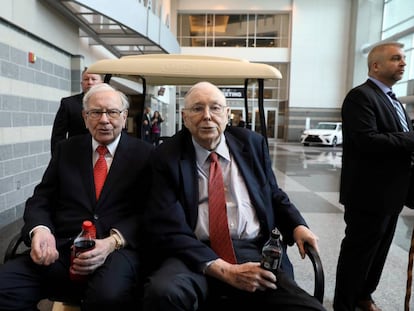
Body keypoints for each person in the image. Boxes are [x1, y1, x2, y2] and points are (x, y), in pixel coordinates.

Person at [142, 81, 326, 311]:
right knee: (163, 294)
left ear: (228, 114)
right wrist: (224, 270)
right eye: (198, 109)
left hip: (252, 249)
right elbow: (166, 225)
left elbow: (272, 194)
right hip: (193, 253)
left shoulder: (252, 143)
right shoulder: (165, 156)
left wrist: (298, 225)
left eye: (215, 107)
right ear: (185, 117)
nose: (207, 116)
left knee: (309, 308)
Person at [0, 83, 153, 311]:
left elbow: (151, 211)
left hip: (115, 253)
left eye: (111, 112)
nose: (104, 119)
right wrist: (41, 230)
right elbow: (41, 199)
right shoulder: (66, 149)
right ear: (84, 116)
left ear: (124, 116)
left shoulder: (146, 155)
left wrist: (113, 242)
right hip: (60, 250)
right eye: (95, 112)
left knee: (107, 298)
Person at [334, 42, 414, 311]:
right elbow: (366, 140)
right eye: (396, 59)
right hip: (368, 194)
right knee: (358, 252)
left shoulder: (393, 100)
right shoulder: (361, 97)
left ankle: (364, 295)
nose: (403, 63)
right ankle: (344, 304)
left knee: (379, 253)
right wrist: (411, 139)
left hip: (392, 193)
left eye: (403, 59)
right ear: (375, 65)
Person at [50, 67, 103, 155]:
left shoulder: (110, 103)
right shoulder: (68, 104)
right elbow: (58, 136)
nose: (89, 82)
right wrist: (58, 160)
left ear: (101, 83)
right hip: (76, 155)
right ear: (82, 83)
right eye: (86, 79)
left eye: (93, 79)